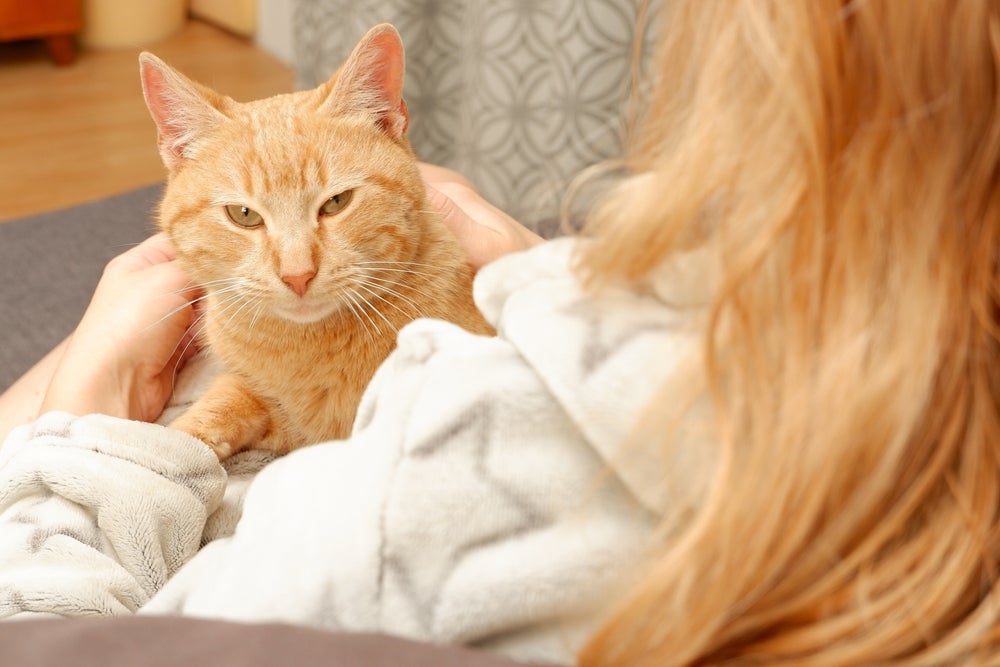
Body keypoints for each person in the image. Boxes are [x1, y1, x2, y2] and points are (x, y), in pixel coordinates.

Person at [1, 1, 999, 666]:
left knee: (47, 393)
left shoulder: (433, 476)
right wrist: (553, 288)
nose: (297, 263)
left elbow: (51, 630)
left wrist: (79, 412)